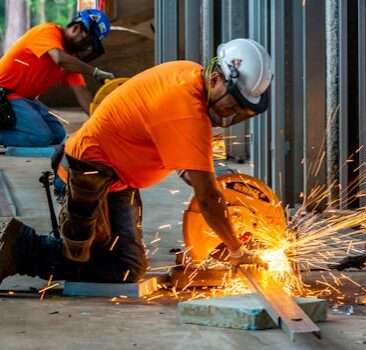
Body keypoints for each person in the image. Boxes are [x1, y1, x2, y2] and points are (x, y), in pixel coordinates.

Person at [0, 38, 272, 285]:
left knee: (128, 263)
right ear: (215, 79)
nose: (231, 114)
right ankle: (18, 248)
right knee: (116, 267)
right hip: (89, 175)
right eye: (233, 104)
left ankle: (25, 247)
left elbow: (184, 159)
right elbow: (209, 200)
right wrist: (238, 250)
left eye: (241, 110)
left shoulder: (188, 73)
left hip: (116, 178)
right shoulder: (187, 112)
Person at [0, 8, 115, 147]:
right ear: (76, 28)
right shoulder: (48, 32)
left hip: (25, 99)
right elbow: (59, 58)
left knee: (57, 134)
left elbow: (82, 93)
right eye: (87, 42)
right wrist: (95, 72)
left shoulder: (70, 59)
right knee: (41, 137)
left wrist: (102, 124)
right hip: (5, 95)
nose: (86, 48)